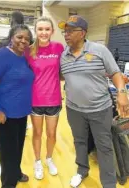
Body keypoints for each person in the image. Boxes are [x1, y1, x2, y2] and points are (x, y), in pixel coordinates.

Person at [58, 15, 129, 188]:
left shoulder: (99, 50)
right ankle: (82, 171)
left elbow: (115, 73)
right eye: (64, 31)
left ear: (82, 33)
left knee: (104, 146)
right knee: (79, 141)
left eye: (70, 31)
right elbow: (62, 76)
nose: (65, 34)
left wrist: (121, 92)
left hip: (100, 109)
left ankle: (109, 183)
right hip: (74, 109)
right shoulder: (63, 56)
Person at [0, 24, 34, 188]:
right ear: (11, 37)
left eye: (27, 38)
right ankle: (8, 183)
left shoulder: (24, 57)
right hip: (4, 115)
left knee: (17, 148)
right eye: (19, 37)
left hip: (21, 113)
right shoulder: (1, 56)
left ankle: (16, 172)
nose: (23, 41)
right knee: (7, 154)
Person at [25, 16, 64, 180]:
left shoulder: (59, 47)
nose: (44, 32)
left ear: (52, 31)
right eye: (40, 29)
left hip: (54, 99)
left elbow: (64, 70)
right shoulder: (29, 50)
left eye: (47, 29)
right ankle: (37, 161)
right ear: (36, 31)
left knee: (52, 133)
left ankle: (49, 158)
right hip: (35, 100)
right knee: (37, 133)